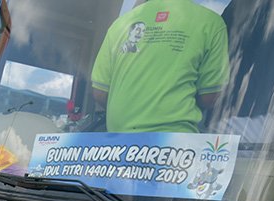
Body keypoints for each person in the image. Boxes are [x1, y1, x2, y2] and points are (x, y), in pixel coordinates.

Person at [91, 0, 229, 133]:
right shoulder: (211, 23)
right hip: (176, 148)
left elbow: (100, 92)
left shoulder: (120, 25)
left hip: (119, 148)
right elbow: (210, 96)